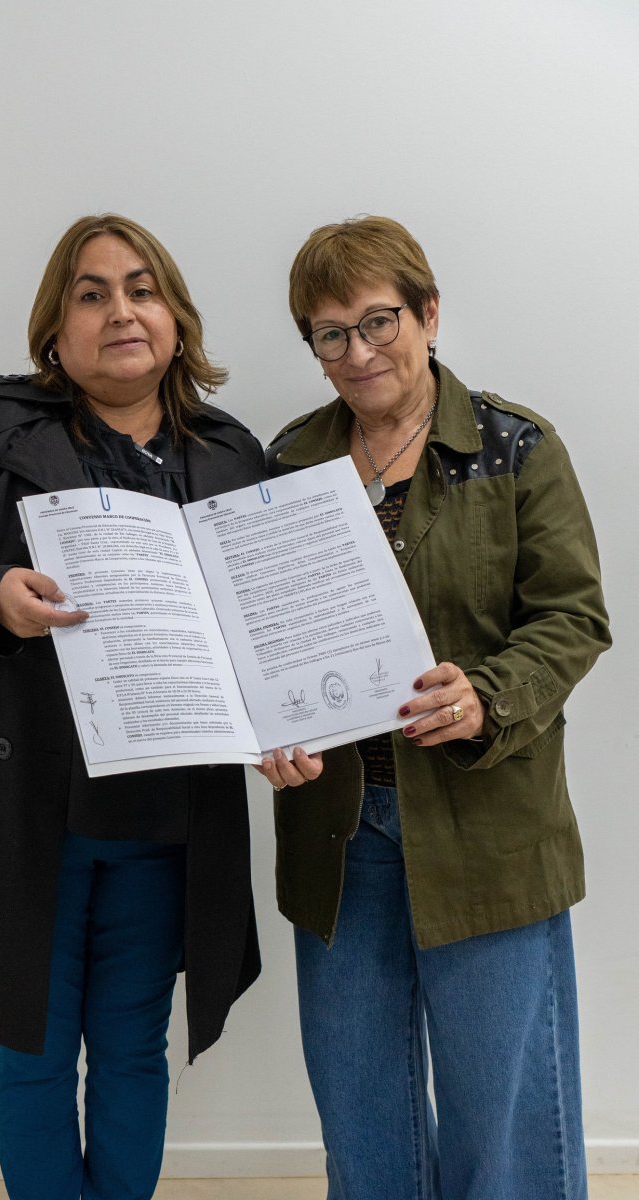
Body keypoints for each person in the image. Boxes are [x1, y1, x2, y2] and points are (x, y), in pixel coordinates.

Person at [0, 214, 267, 1200]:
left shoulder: (233, 458)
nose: (121, 311)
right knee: (31, 1057)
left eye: (142, 289)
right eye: (92, 293)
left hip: (167, 820)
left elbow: (261, 641)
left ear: (175, 319)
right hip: (22, 814)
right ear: (55, 331)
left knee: (132, 1053)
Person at [260, 215, 610, 1200]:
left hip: (487, 826)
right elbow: (262, 640)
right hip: (338, 835)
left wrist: (486, 696)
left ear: (428, 314)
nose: (357, 352)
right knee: (361, 1119)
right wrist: (266, 732)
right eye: (330, 334)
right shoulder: (286, 465)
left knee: (503, 1129)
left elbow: (572, 617)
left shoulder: (515, 447)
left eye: (378, 321)